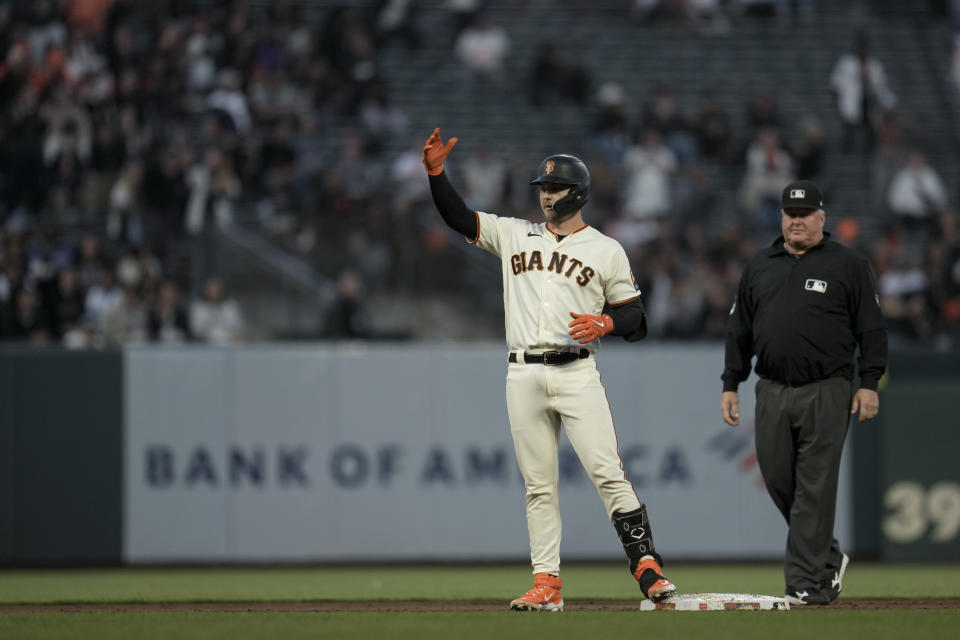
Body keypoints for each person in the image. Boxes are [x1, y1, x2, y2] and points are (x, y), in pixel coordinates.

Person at [422, 128, 676, 611]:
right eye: (541, 188)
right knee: (538, 485)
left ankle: (647, 565)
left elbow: (636, 318)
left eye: (553, 189)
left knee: (606, 471)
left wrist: (605, 321)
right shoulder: (516, 234)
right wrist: (437, 174)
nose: (545, 195)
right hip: (522, 372)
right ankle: (547, 585)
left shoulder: (605, 249)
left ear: (577, 194)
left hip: (577, 372)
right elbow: (459, 218)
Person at [721, 180, 888, 606]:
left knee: (813, 487)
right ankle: (828, 556)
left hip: (827, 389)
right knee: (779, 479)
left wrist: (868, 383)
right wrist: (731, 383)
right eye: (790, 214)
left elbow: (871, 328)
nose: (797, 221)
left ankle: (805, 582)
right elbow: (739, 329)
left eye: (805, 214)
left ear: (821, 218)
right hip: (772, 389)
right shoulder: (760, 264)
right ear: (781, 217)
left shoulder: (848, 264)